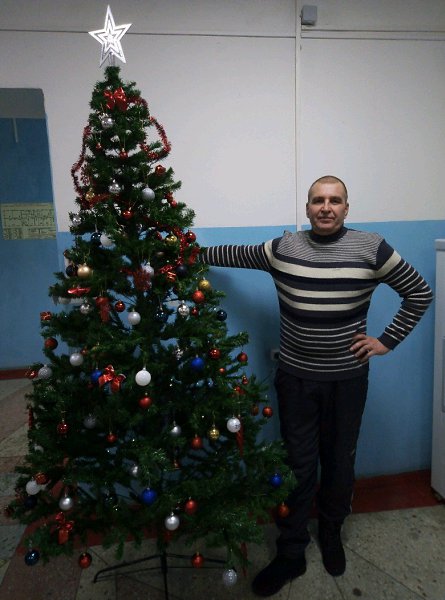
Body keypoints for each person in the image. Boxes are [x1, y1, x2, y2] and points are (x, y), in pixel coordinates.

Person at [200, 175, 433, 597]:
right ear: (307, 208)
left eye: (335, 200)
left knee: (340, 462)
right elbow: (231, 253)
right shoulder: (282, 249)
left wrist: (386, 341)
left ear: (346, 208)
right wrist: (187, 253)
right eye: (318, 200)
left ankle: (330, 533)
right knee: (298, 465)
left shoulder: (371, 248)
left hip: (347, 380)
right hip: (296, 379)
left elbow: (419, 292)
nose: (326, 207)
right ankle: (291, 551)